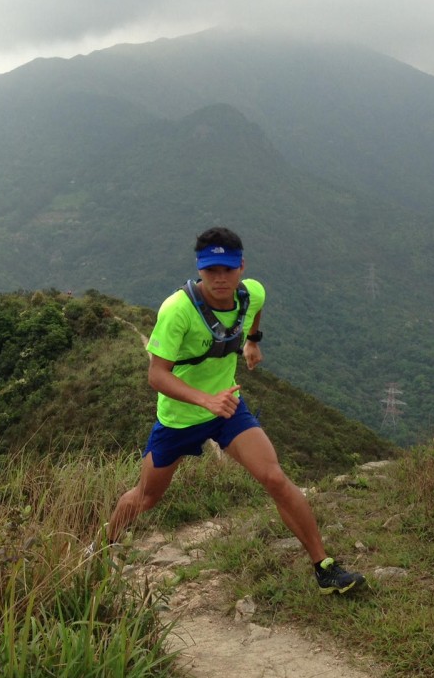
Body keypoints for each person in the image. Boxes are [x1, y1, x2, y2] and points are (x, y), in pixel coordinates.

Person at [105, 227, 365, 595]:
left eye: (227, 269)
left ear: (241, 266)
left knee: (274, 478)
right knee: (146, 497)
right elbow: (157, 376)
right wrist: (205, 399)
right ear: (199, 269)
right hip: (178, 419)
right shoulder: (177, 310)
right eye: (212, 270)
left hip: (228, 410)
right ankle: (102, 547)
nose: (220, 278)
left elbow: (256, 309)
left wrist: (253, 342)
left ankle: (325, 568)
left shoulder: (250, 293)